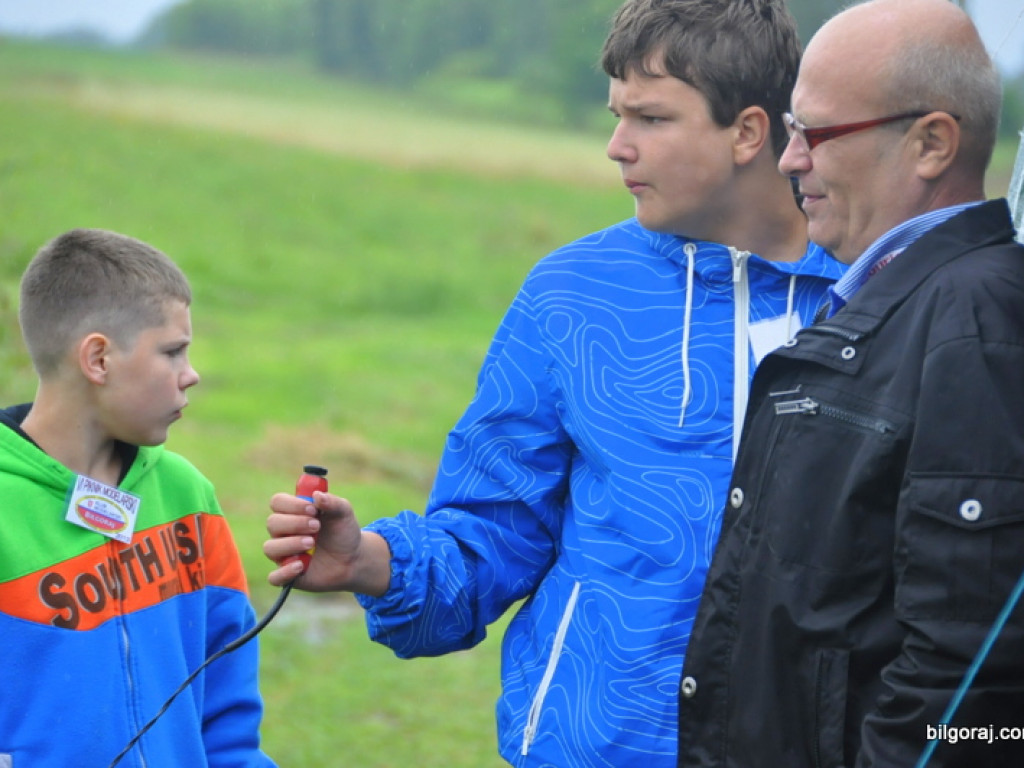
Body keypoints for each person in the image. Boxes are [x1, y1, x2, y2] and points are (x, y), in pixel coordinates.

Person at [263, 0, 843, 765]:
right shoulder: (570, 294)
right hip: (592, 747)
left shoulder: (868, 293)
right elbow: (493, 530)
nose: (616, 146)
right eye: (615, 114)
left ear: (747, 131)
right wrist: (372, 562)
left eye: (651, 119)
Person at [675, 1, 1024, 766]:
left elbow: (971, 678)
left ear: (932, 143)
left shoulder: (976, 322)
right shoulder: (905, 298)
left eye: (815, 133)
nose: (790, 159)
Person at [0, 229, 276, 767]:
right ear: (98, 359)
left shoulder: (186, 495)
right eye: (172, 351)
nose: (191, 375)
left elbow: (228, 703)